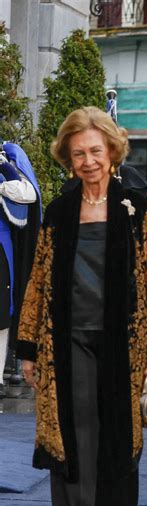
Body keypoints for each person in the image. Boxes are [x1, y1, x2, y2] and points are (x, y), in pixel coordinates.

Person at [16, 106, 147, 506]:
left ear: (112, 151)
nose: (88, 161)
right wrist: (27, 348)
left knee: (119, 441)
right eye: (78, 153)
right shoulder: (60, 211)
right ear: (68, 157)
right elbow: (39, 280)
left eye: (95, 151)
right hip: (66, 344)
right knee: (72, 442)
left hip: (123, 344)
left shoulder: (135, 207)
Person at [0, 141, 41, 396]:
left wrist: (5, 170)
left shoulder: (7, 161)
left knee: (1, 315)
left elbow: (28, 193)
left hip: (1, 249)